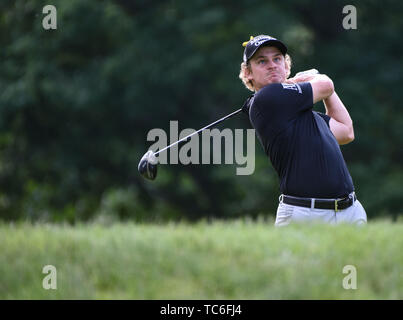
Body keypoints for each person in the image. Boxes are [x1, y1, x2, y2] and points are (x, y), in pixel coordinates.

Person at [239, 35, 367, 226]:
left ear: (286, 66)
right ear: (248, 73)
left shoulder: (305, 114)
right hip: (305, 213)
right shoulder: (266, 98)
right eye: (262, 61)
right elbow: (326, 85)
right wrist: (316, 79)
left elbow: (346, 131)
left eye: (277, 59)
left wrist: (323, 89)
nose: (272, 65)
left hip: (350, 210)